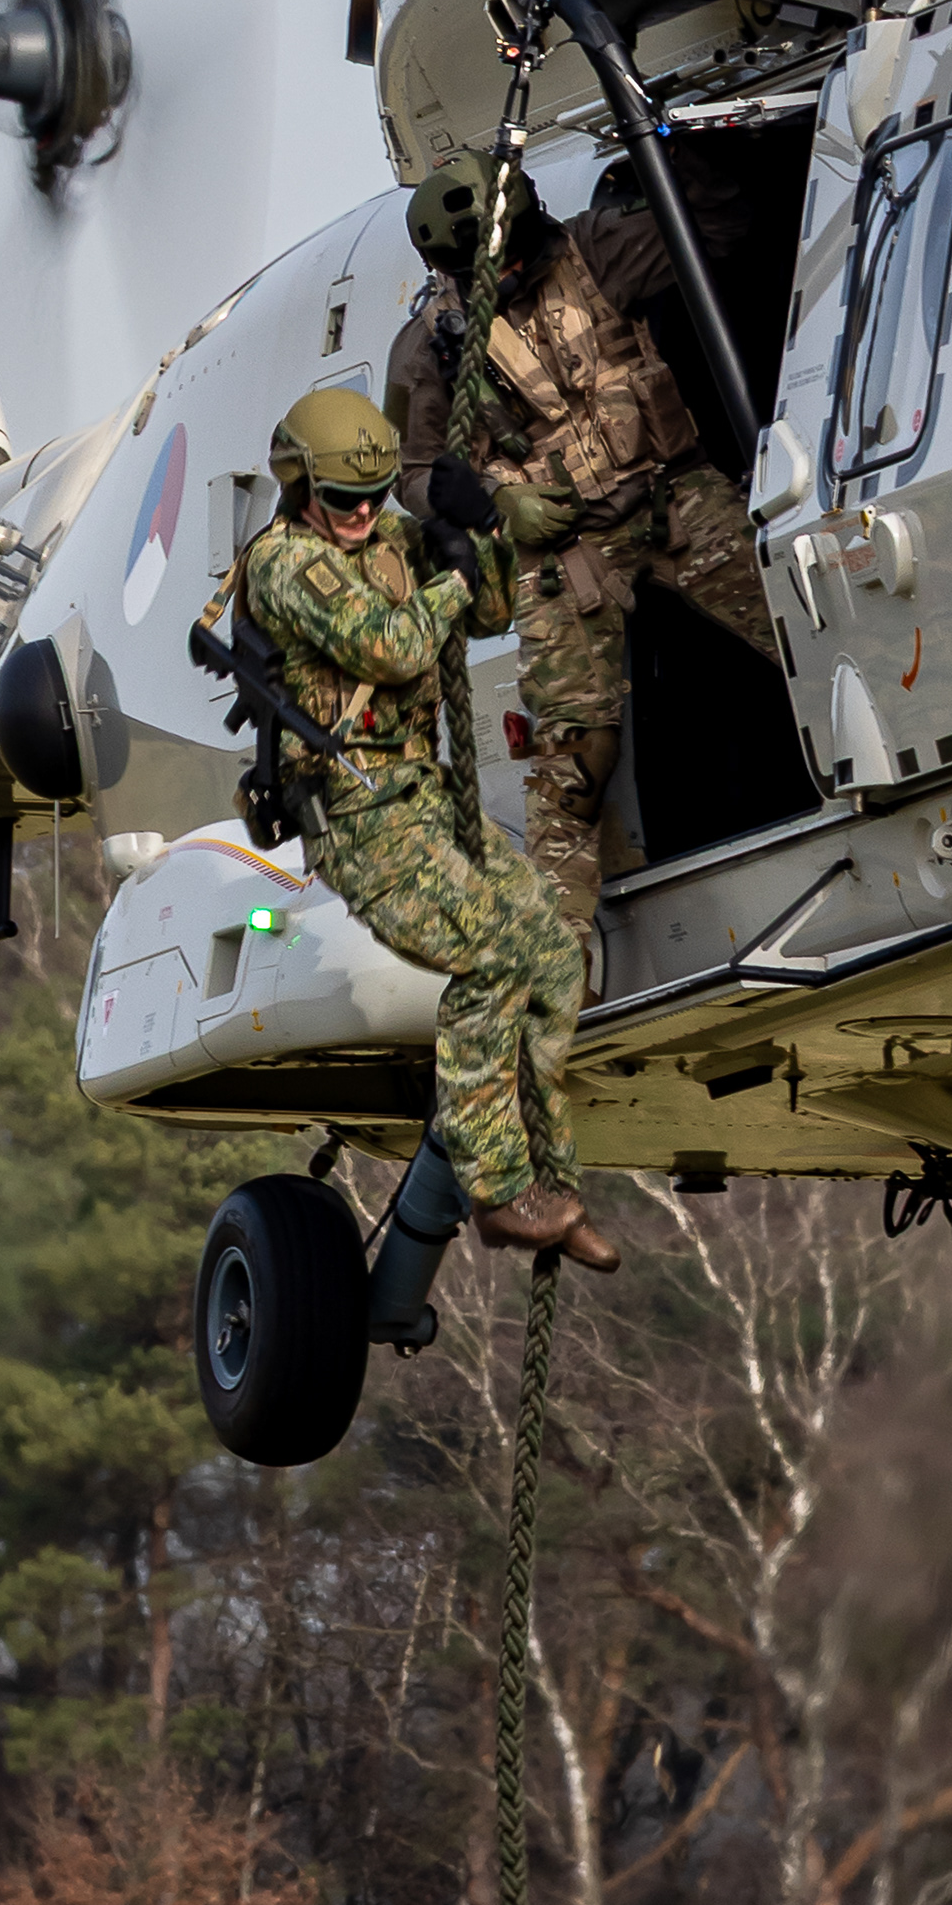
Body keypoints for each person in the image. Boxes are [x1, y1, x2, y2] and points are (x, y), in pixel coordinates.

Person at [228, 381, 613, 1270]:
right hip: (360, 813)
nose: (363, 516)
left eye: (372, 500)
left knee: (553, 957)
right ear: (301, 491)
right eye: (342, 503)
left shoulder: (387, 538)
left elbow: (490, 611)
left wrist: (482, 533)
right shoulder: (286, 565)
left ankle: (555, 1181)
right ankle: (497, 1191)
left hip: (426, 796)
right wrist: (444, 574)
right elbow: (395, 646)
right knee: (488, 962)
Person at [398, 158, 778, 938]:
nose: (503, 274)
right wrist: (499, 504)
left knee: (803, 626)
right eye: (481, 268)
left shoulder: (597, 252)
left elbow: (723, 229)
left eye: (509, 256)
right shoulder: (431, 346)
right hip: (566, 550)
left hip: (676, 496)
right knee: (574, 762)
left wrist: (675, 154)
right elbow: (413, 474)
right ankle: (557, 955)